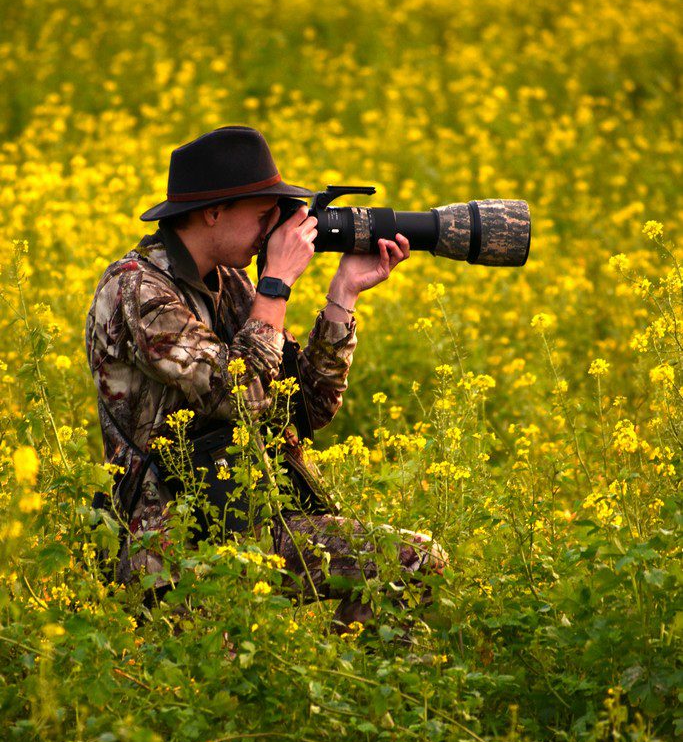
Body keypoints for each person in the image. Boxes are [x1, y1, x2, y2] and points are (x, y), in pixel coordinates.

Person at [85, 125, 446, 634]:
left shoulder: (230, 282)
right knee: (217, 694)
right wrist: (276, 285)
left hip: (243, 516)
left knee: (410, 562)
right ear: (213, 212)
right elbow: (242, 397)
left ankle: (352, 701)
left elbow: (308, 407)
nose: (273, 228)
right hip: (168, 543)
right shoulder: (136, 291)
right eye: (263, 214)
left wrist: (343, 295)